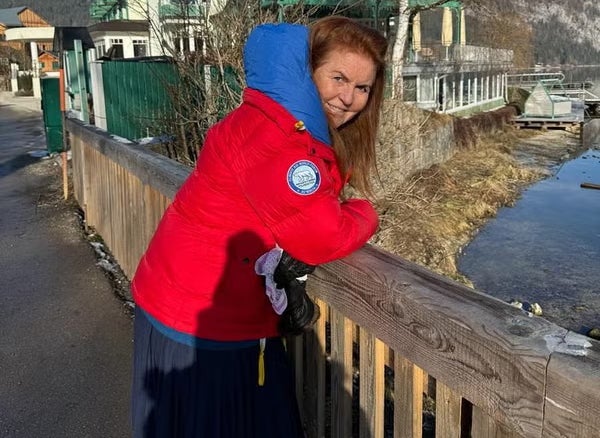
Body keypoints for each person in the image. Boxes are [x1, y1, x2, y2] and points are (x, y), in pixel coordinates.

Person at [130, 15, 388, 438]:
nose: (349, 98)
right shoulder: (286, 143)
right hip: (207, 325)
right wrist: (365, 212)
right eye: (338, 78)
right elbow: (324, 235)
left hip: (179, 300)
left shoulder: (269, 116)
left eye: (362, 88)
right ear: (308, 73)